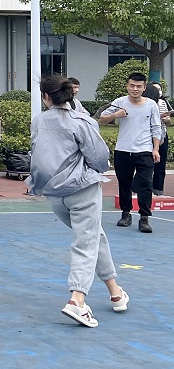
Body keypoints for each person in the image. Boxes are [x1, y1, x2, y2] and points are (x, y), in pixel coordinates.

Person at [28, 74, 130, 328]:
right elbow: (99, 157)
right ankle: (77, 300)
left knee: (95, 237)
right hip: (82, 189)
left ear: (45, 97)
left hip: (54, 193)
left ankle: (116, 292)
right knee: (86, 243)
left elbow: (37, 155)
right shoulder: (82, 121)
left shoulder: (39, 121)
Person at [99, 72, 162, 233]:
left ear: (144, 88)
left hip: (145, 150)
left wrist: (155, 149)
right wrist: (116, 115)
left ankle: (144, 217)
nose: (135, 89)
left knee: (145, 184)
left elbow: (156, 127)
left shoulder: (151, 105)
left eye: (139, 86)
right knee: (124, 183)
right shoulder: (119, 102)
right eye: (132, 85)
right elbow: (102, 118)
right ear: (127, 86)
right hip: (123, 150)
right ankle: (125, 214)